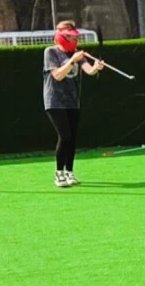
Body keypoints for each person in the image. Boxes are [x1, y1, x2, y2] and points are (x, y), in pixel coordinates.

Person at [43, 20, 105, 187]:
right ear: (62, 37)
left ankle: (70, 172)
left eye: (75, 37)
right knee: (64, 136)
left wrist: (96, 67)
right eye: (70, 37)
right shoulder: (51, 52)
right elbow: (57, 75)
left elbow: (89, 70)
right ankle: (59, 174)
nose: (75, 41)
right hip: (54, 101)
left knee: (72, 138)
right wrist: (72, 61)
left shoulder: (77, 54)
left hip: (72, 101)